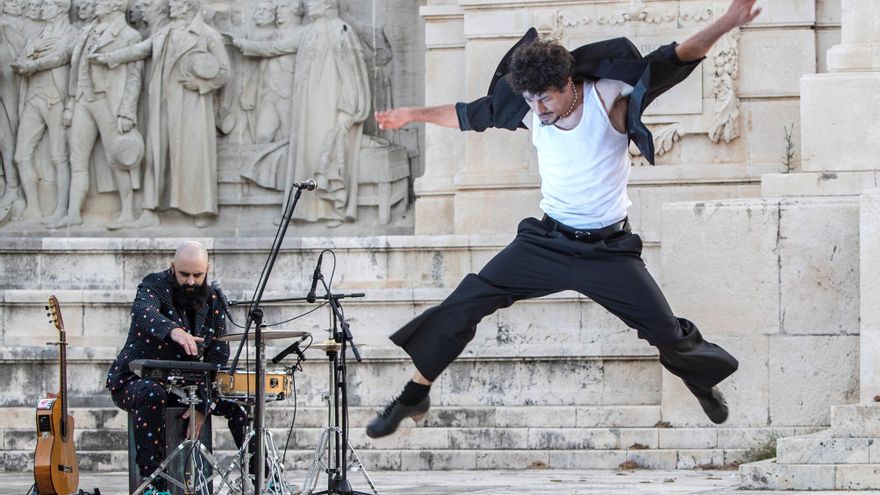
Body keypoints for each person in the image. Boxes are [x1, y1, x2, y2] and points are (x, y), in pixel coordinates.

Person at [366, 0, 762, 439]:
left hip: (608, 251)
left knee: (666, 333)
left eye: (545, 97)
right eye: (530, 99)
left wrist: (726, 22)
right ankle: (413, 394)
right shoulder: (528, 107)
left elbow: (675, 59)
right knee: (467, 299)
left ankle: (699, 379)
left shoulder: (609, 99)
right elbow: (465, 115)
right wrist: (413, 115)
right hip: (546, 243)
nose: (538, 109)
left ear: (567, 83)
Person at [106, 241, 248, 495]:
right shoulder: (154, 285)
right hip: (136, 380)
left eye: (198, 275)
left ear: (207, 270)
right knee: (151, 393)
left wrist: (204, 404)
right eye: (184, 274)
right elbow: (142, 311)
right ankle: (153, 485)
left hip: (187, 387)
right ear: (172, 268)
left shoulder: (213, 299)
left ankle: (264, 476)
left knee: (237, 406)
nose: (191, 282)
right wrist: (172, 330)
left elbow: (219, 354)